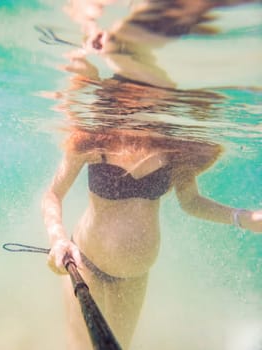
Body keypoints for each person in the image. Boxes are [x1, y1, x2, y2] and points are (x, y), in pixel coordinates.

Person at [40, 2, 262, 349]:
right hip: (87, 265)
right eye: (141, 98)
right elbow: (52, 194)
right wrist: (57, 239)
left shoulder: (173, 147)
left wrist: (243, 218)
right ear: (119, 97)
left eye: (157, 101)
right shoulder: (93, 139)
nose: (150, 107)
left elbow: (191, 202)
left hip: (136, 275)